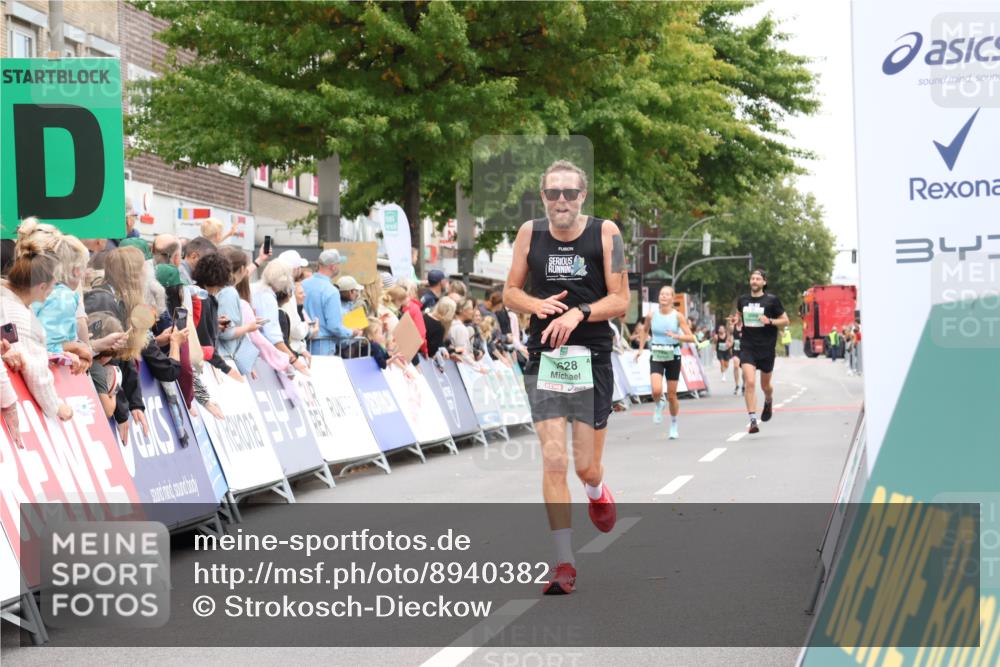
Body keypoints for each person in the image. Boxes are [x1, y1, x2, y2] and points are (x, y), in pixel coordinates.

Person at [503, 159, 629, 595]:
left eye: (569, 193)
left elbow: (621, 301)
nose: (561, 200)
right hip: (545, 358)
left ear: (582, 197)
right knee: (555, 461)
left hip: (591, 356)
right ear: (543, 197)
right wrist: (534, 306)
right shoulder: (528, 233)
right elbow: (510, 292)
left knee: (584, 465)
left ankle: (596, 490)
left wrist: (580, 311)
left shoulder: (609, 233)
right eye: (553, 193)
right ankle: (563, 562)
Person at [0, 243, 74, 421]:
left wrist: (52, 354)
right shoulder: (21, 317)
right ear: (42, 286)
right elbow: (34, 371)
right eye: (53, 285)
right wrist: (56, 407)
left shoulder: (10, 301)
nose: (52, 291)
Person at [637, 286, 695, 439]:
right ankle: (658, 404)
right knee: (656, 390)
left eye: (667, 294)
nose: (663, 296)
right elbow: (644, 330)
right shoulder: (651, 315)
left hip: (673, 356)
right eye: (661, 294)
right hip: (657, 355)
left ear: (672, 298)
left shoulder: (678, 316)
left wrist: (677, 336)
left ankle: (674, 424)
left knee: (672, 395)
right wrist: (641, 349)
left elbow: (691, 337)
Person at [736, 268, 789, 434]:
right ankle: (753, 420)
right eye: (752, 278)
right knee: (750, 382)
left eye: (758, 279)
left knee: (765, 385)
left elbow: (785, 320)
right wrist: (736, 321)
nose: (754, 281)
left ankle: (768, 399)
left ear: (764, 282)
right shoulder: (743, 300)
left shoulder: (772, 300)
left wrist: (770, 321)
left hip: (766, 348)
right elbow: (738, 316)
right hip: (748, 346)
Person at [303, 249, 358, 355]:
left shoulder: (303, 284)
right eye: (338, 264)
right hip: (323, 347)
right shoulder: (331, 291)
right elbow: (334, 326)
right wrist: (351, 332)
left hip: (303, 344)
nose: (339, 267)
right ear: (333, 267)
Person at [730, 313, 744, 395]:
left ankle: (744, 385)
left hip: (745, 350)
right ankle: (737, 385)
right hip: (736, 349)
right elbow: (729, 332)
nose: (735, 318)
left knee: (744, 370)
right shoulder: (733, 327)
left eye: (737, 317)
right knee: (735, 366)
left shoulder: (745, 326)